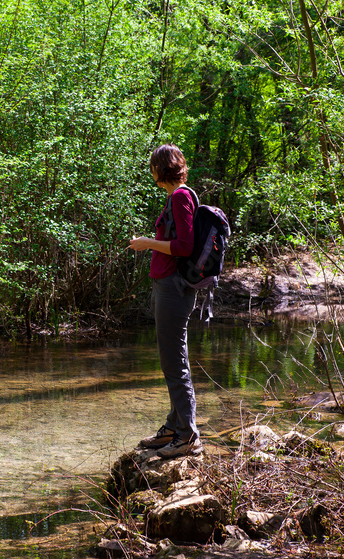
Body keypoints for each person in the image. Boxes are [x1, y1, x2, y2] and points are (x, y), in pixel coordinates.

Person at [127, 144, 203, 458]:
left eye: (153, 167)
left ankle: (186, 435)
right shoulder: (178, 197)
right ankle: (174, 426)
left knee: (174, 363)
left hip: (173, 287)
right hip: (169, 285)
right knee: (171, 359)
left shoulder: (181, 196)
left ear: (162, 168)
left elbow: (184, 246)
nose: (152, 173)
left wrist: (147, 244)